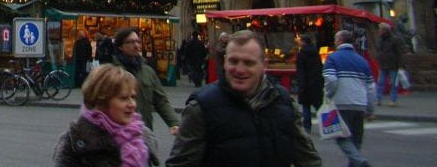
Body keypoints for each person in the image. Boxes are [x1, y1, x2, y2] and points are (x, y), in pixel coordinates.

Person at [166, 30, 320, 167]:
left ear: (264, 65)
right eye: (233, 61)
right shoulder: (201, 107)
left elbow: (308, 160)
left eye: (248, 63)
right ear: (225, 61)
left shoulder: (283, 102)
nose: (239, 70)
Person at [53, 64, 157, 167]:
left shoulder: (142, 135)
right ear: (102, 101)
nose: (132, 104)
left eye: (133, 97)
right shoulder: (74, 142)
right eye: (123, 98)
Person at [112, 28, 180, 134]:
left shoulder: (147, 71)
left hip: (144, 132)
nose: (136, 45)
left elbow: (160, 100)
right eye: (130, 42)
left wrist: (174, 123)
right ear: (120, 46)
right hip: (118, 132)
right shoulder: (111, 71)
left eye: (137, 41)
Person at [324, 29, 375, 167]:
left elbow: (331, 80)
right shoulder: (362, 61)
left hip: (341, 102)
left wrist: (328, 96)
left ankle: (360, 162)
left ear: (340, 41)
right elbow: (371, 87)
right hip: (360, 103)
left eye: (335, 39)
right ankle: (356, 163)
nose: (334, 42)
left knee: (340, 135)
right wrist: (370, 109)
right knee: (356, 138)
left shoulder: (333, 58)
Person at [294, 34, 323, 133]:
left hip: (305, 84)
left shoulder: (301, 54)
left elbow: (301, 72)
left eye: (300, 41)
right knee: (319, 106)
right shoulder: (316, 53)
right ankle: (326, 124)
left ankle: (307, 127)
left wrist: (301, 86)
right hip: (316, 83)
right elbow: (320, 68)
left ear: (303, 42)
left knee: (306, 107)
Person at [375, 22, 403, 107]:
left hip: (393, 64)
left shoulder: (394, 40)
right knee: (380, 82)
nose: (379, 31)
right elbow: (379, 50)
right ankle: (378, 99)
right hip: (383, 64)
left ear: (385, 30)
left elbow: (399, 53)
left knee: (393, 83)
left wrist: (400, 65)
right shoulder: (380, 40)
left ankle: (393, 100)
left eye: (380, 29)